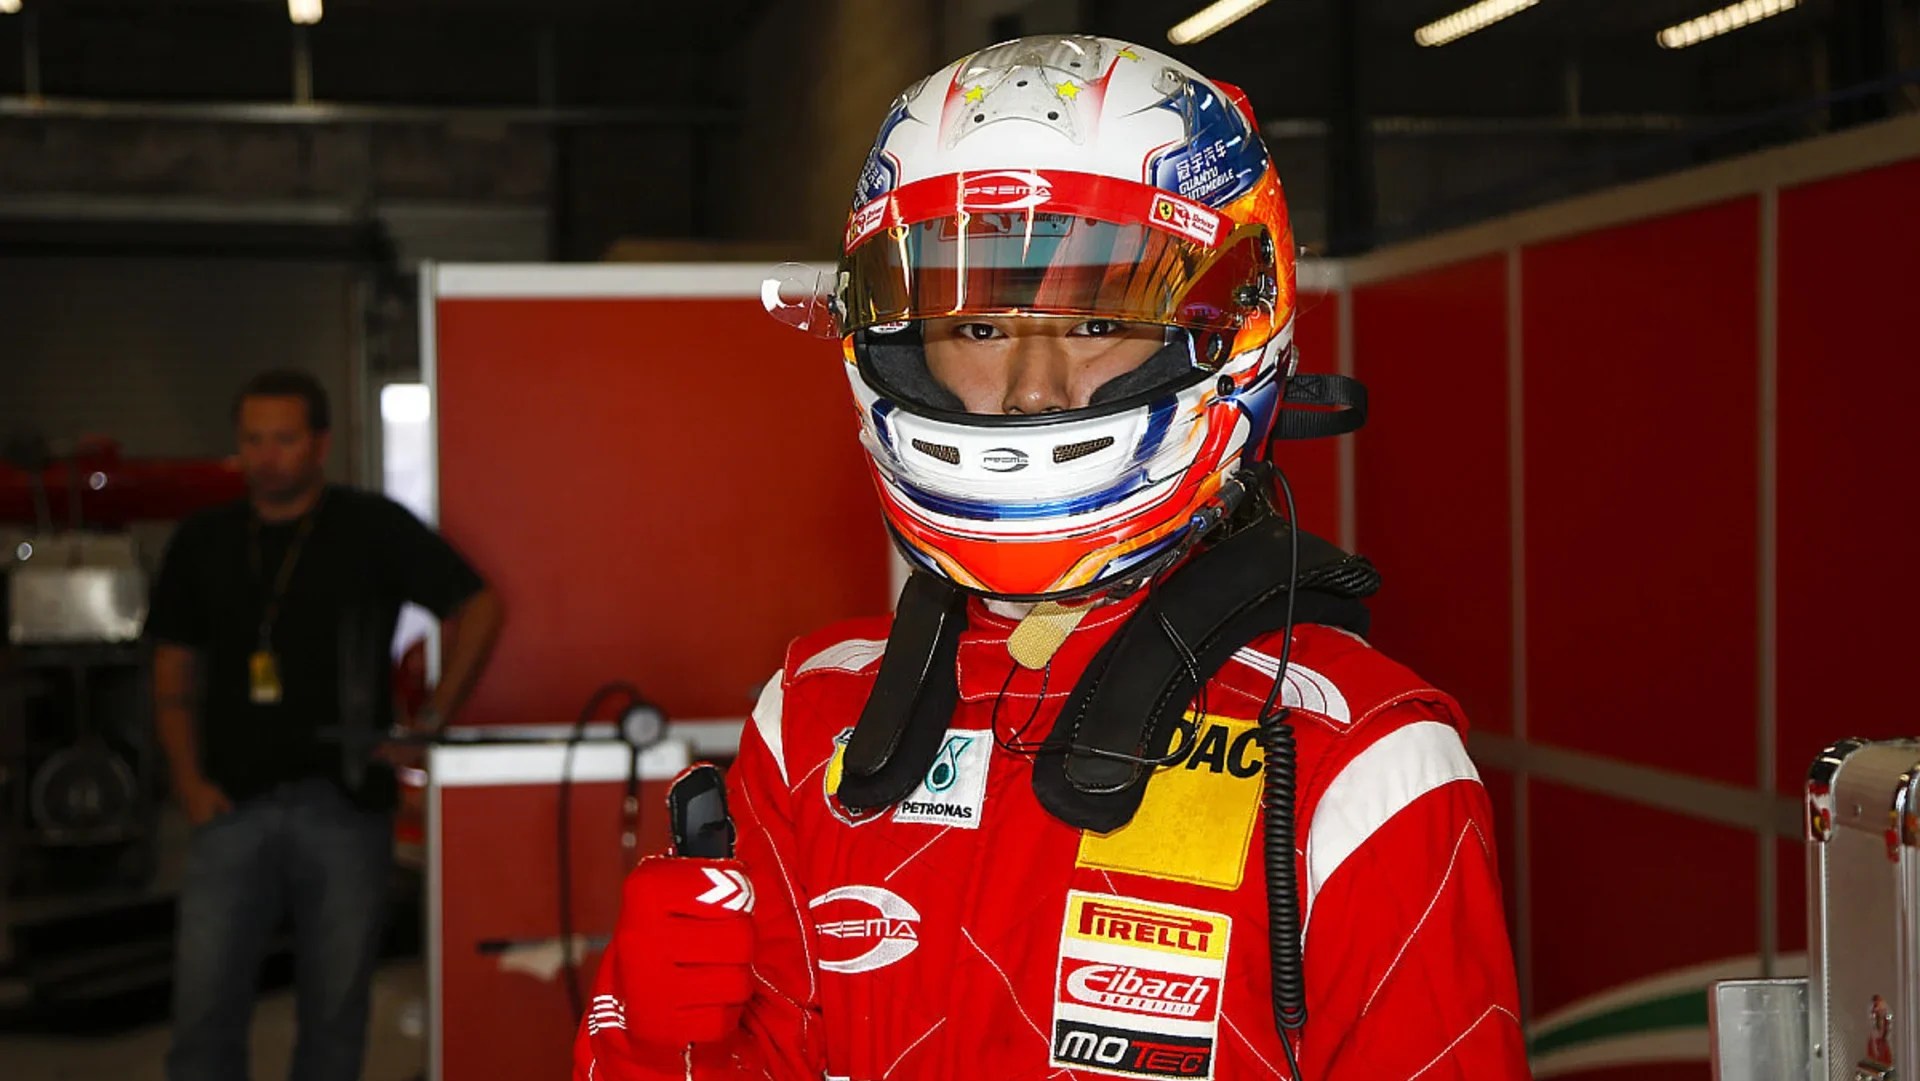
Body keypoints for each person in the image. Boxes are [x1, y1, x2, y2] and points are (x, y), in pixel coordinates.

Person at [576, 35, 1529, 1080]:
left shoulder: (1365, 764)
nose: (1034, 388)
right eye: (979, 328)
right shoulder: (812, 718)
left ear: (1230, 325)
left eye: (1098, 318)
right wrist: (658, 1043)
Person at [150, 368, 504, 1081]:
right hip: (228, 803)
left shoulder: (369, 527)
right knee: (203, 1014)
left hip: (345, 805)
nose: (266, 456)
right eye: (253, 439)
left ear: (320, 443)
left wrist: (429, 719)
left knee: (334, 1018)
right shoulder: (204, 539)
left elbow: (479, 605)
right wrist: (187, 781)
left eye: (284, 439)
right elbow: (172, 669)